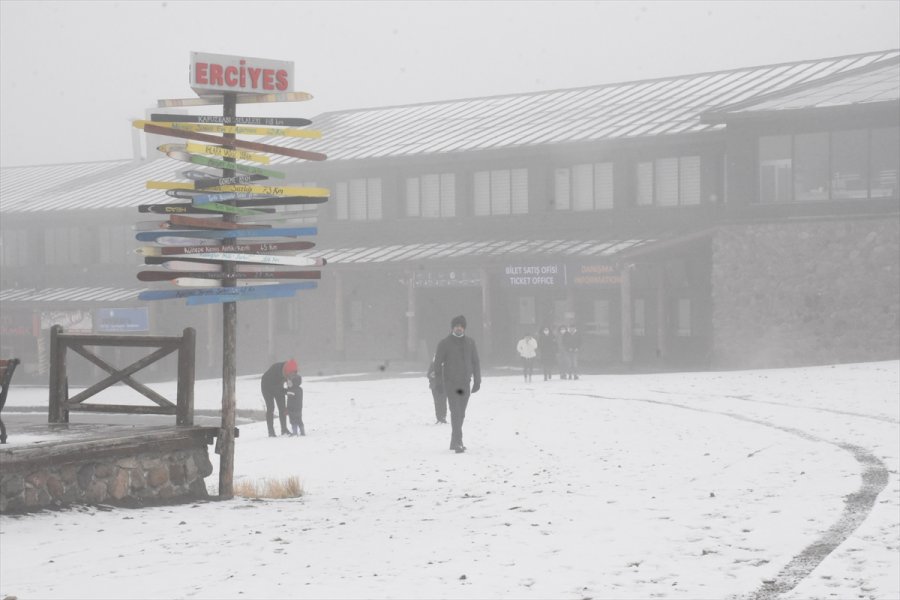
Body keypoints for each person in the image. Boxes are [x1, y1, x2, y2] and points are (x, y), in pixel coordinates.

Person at [432, 315, 481, 453]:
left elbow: (475, 362)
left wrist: (477, 380)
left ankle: (454, 441)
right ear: (452, 327)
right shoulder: (444, 343)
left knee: (462, 413)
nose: (459, 328)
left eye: (461, 326)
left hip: (465, 382)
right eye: (456, 326)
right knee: (455, 411)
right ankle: (458, 441)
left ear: (464, 328)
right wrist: (439, 382)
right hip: (451, 383)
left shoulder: (470, 343)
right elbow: (437, 364)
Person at [260, 359, 296, 437]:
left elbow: (289, 384)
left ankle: (284, 430)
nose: (291, 376)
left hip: (278, 387)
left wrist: (292, 389)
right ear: (286, 371)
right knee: (271, 408)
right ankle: (271, 432)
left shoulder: (289, 371)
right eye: (290, 374)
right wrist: (286, 391)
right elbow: (278, 389)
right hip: (266, 387)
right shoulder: (276, 369)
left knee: (282, 408)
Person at [427, 355, 448, 424]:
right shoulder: (432, 364)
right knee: (437, 402)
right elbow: (428, 374)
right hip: (434, 387)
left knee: (443, 402)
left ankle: (443, 418)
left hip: (443, 386)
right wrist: (431, 375)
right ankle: (439, 418)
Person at [286, 372, 305, 436]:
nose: (287, 383)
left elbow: (290, 398)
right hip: (299, 408)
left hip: (292, 409)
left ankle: (295, 432)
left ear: (294, 382)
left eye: (289, 382)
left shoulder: (292, 391)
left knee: (293, 421)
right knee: (299, 420)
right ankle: (302, 432)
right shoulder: (299, 389)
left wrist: (287, 409)